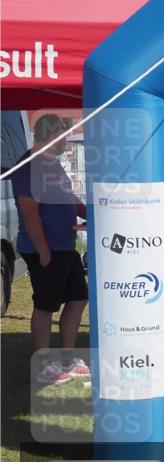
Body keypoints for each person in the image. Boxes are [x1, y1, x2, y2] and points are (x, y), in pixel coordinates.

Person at [11, 114, 91, 383]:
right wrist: (43, 250)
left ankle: (67, 359)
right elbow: (29, 212)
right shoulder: (28, 167)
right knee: (45, 305)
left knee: (78, 298)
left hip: (65, 245)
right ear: (48, 135)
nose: (66, 140)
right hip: (44, 249)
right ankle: (43, 365)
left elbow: (68, 196)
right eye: (63, 135)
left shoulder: (53, 164)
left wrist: (90, 213)